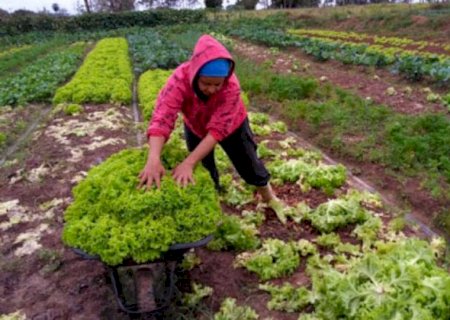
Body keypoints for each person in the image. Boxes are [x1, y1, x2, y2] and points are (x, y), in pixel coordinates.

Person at [138, 34, 282, 210]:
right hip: (195, 124)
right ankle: (213, 197)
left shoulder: (231, 87)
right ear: (195, 74)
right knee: (204, 167)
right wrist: (153, 159)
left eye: (217, 84)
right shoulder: (179, 80)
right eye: (206, 83)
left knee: (248, 163)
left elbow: (217, 131)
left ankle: (269, 197)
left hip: (232, 126)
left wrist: (188, 163)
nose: (212, 89)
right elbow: (162, 117)